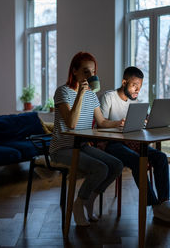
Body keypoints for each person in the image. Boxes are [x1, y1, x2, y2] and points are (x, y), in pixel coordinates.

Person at [100, 66, 170, 222]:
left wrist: (146, 122)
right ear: (124, 82)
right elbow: (101, 123)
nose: (137, 90)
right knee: (137, 160)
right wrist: (118, 123)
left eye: (139, 87)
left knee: (161, 157)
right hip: (112, 144)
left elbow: (134, 126)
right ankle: (154, 205)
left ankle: (164, 203)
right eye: (134, 86)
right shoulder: (108, 97)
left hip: (131, 143)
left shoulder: (135, 102)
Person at [49, 52, 124, 226]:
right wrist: (81, 94)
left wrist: (119, 123)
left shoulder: (92, 95)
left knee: (116, 165)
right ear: (74, 71)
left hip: (81, 146)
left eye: (93, 72)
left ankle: (90, 199)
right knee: (100, 168)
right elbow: (72, 123)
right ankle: (78, 204)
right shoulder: (62, 92)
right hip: (61, 149)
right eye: (85, 72)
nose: (90, 76)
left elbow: (102, 122)